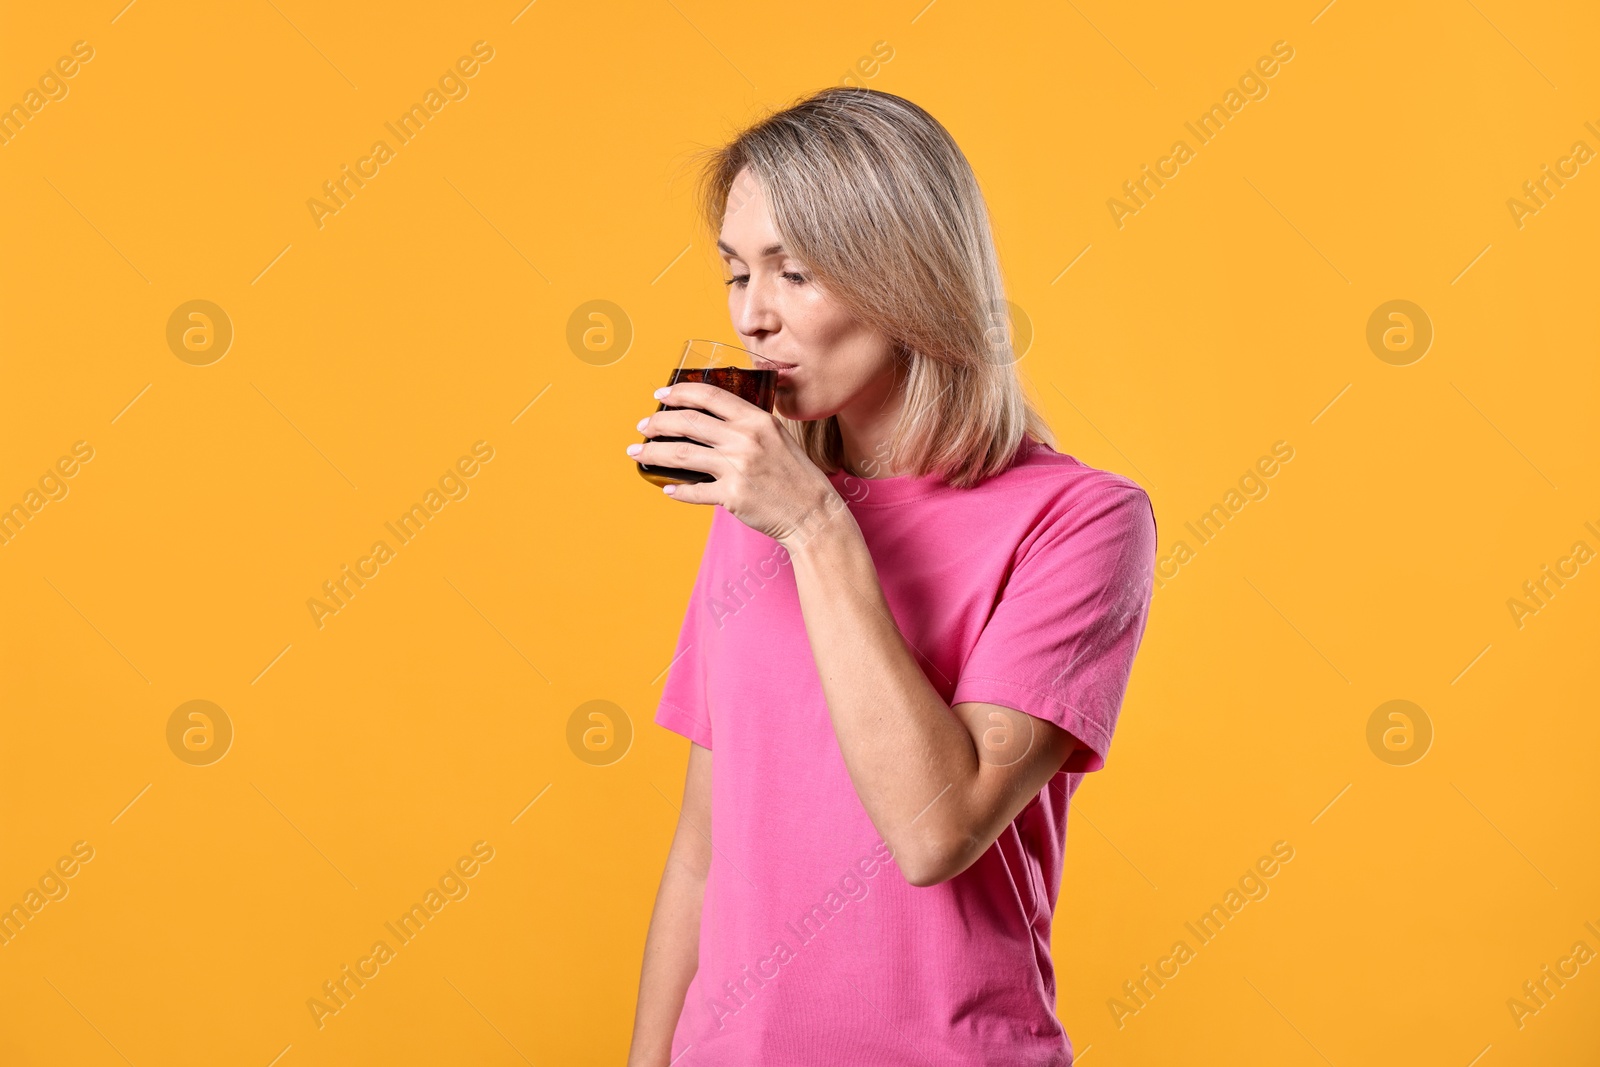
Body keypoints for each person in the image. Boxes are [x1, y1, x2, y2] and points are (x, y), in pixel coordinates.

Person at [625, 86, 1157, 1067]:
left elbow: (935, 833)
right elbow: (705, 845)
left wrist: (816, 527)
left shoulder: (1081, 521)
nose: (752, 316)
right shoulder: (764, 500)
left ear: (907, 276)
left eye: (794, 272)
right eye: (737, 272)